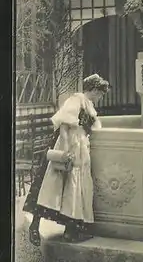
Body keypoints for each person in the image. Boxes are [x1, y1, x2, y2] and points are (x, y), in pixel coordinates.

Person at [23, 74, 110, 246]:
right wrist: (66, 149)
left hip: (80, 147)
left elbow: (93, 128)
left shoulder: (89, 105)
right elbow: (64, 124)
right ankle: (35, 226)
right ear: (93, 89)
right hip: (67, 145)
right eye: (100, 93)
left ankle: (71, 230)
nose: (100, 97)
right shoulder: (77, 99)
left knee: (72, 189)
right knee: (50, 187)